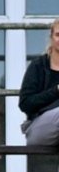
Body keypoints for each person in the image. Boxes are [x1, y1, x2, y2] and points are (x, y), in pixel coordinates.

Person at [19, 18, 59, 148]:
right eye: (58, 35)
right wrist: (56, 90)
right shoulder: (38, 65)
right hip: (38, 127)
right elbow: (25, 104)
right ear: (51, 37)